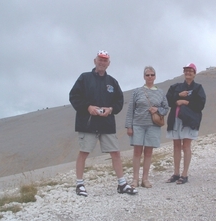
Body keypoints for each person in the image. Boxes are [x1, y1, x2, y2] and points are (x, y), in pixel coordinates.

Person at [69, 50, 137, 196]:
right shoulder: (84, 78)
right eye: (100, 59)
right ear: (95, 61)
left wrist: (111, 109)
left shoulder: (112, 82)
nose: (102, 62)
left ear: (109, 64)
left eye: (105, 60)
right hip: (88, 123)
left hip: (106, 123)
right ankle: (79, 184)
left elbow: (119, 101)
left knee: (115, 153)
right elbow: (74, 96)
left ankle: (122, 184)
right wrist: (88, 107)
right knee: (84, 152)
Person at [125, 66, 169, 188]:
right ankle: (135, 179)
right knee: (137, 152)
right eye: (147, 75)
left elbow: (166, 108)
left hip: (153, 126)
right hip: (138, 125)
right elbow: (130, 110)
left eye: (152, 75)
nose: (150, 77)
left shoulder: (160, 92)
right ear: (144, 77)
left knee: (148, 152)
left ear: (155, 76)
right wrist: (129, 126)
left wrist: (157, 109)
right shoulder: (137, 91)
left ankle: (145, 179)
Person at [165, 63, 206, 184]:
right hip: (176, 119)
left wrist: (185, 102)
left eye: (190, 71)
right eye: (186, 71)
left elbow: (200, 105)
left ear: (194, 73)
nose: (188, 73)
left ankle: (185, 174)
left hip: (189, 120)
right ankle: (176, 173)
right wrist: (178, 96)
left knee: (186, 145)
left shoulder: (198, 88)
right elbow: (168, 101)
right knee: (176, 145)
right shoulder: (175, 87)